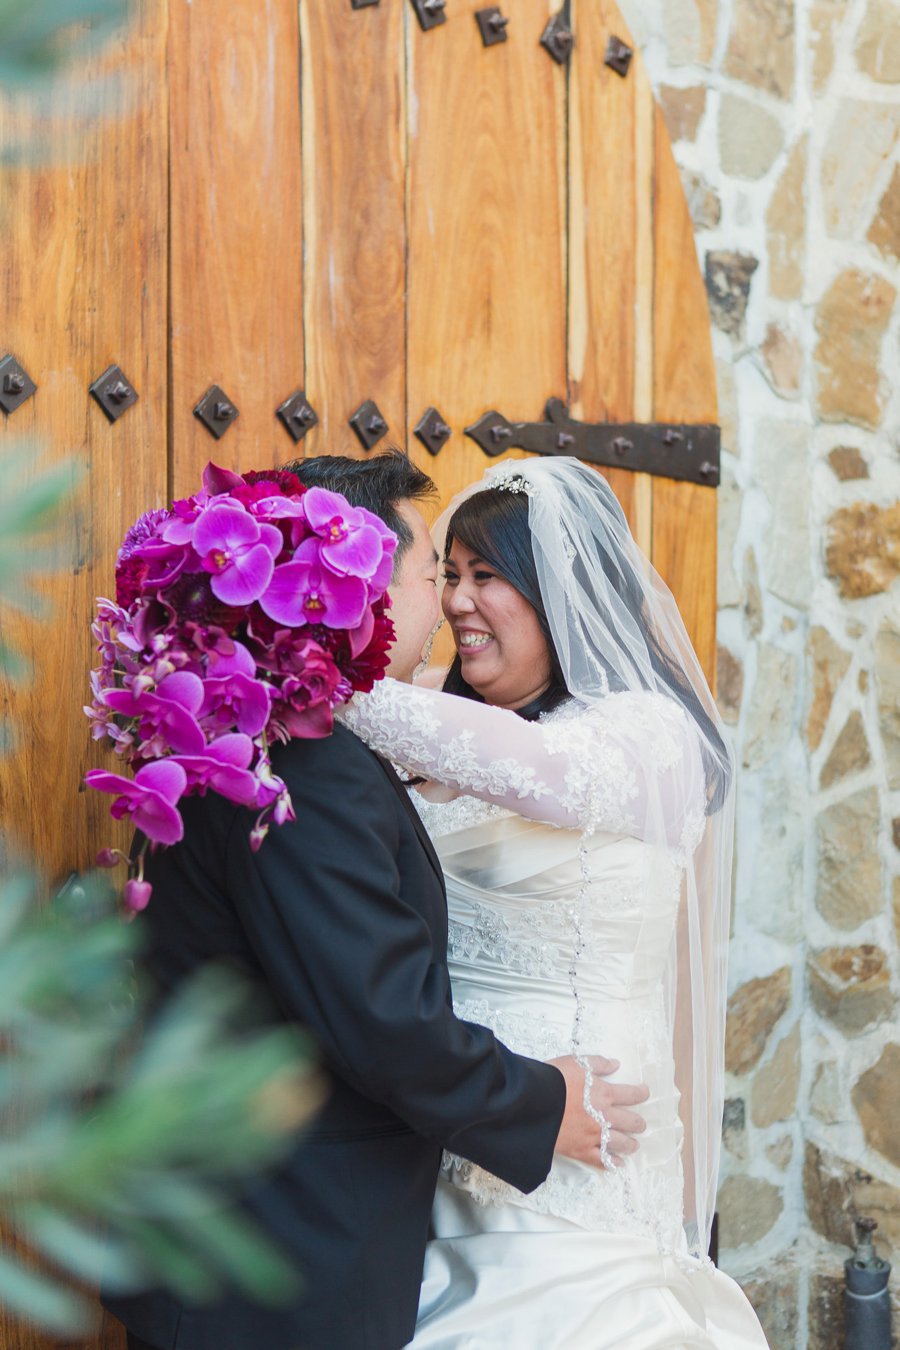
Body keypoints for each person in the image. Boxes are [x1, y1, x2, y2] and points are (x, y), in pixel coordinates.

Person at [103, 452, 649, 1350]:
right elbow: (380, 1015)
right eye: (436, 574)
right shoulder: (301, 766)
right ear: (356, 584)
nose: (446, 603)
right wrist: (545, 1106)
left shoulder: (243, 737)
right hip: (279, 1257)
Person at [339, 456, 771, 1348]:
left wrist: (310, 678)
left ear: (562, 593)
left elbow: (538, 772)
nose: (458, 600)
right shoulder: (434, 717)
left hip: (583, 1146)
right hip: (441, 1136)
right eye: (447, 574)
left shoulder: (649, 736)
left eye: (487, 576)